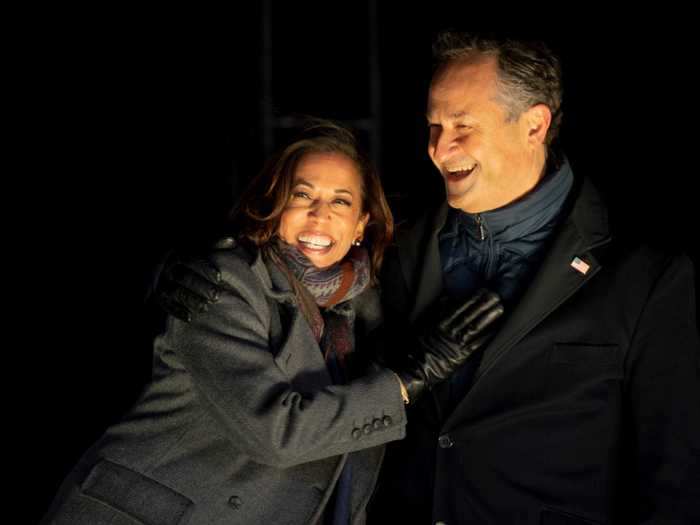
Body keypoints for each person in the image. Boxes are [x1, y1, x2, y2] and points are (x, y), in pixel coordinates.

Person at [158, 34, 700, 524]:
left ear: (534, 124)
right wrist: (177, 272)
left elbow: (671, 473)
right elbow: (287, 277)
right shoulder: (396, 246)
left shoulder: (644, 274)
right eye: (434, 127)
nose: (439, 149)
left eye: (463, 126)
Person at [42, 120, 504, 524]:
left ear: (361, 223)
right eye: (302, 195)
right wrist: (408, 380)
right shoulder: (222, 284)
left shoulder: (368, 313)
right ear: (274, 204)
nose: (320, 214)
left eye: (341, 202)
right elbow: (277, 433)